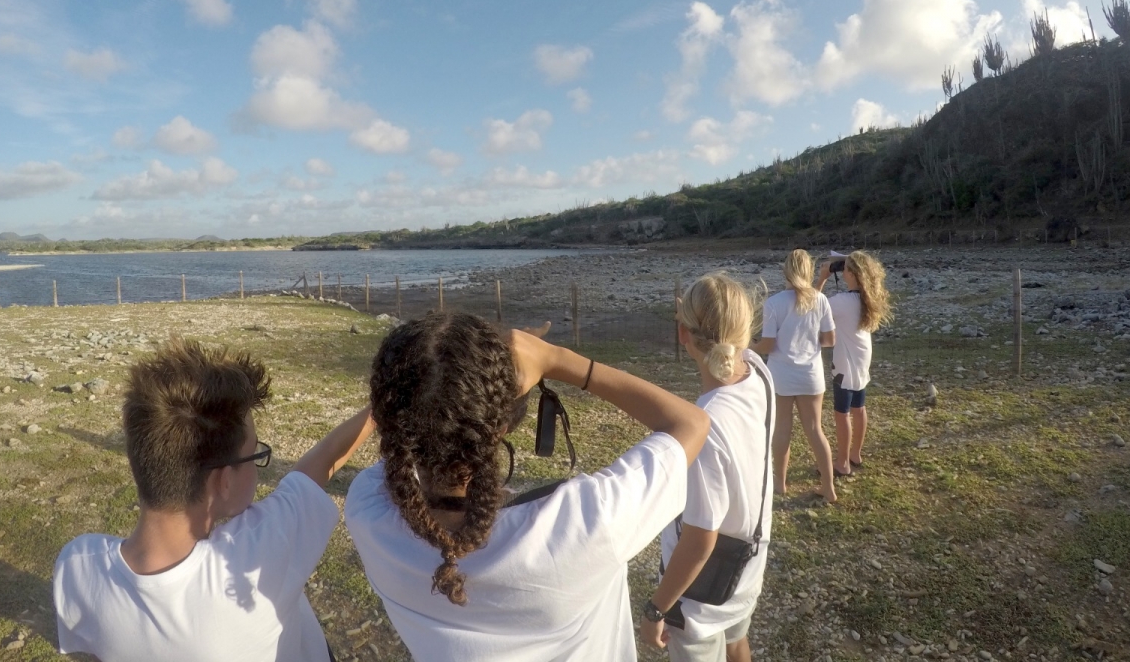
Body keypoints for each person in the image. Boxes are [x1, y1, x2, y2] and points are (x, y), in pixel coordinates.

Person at [343, 311, 711, 662]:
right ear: (501, 427)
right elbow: (691, 423)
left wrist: (422, 386)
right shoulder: (586, 523)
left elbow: (406, 433)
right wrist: (557, 360)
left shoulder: (368, 509)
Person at [54, 338, 375, 662]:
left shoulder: (76, 566)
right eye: (254, 455)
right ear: (223, 481)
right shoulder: (259, 549)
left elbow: (92, 650)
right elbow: (323, 462)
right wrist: (381, 406)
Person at [641, 273, 775, 662]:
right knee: (736, 643)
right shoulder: (758, 370)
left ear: (684, 336)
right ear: (745, 331)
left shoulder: (705, 425)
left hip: (703, 594)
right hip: (748, 566)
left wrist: (656, 609)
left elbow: (700, 540)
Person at [752, 249, 837, 503]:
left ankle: (780, 482)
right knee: (815, 430)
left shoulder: (774, 303)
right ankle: (828, 486)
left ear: (786, 271)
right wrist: (809, 341)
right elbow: (830, 340)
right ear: (809, 271)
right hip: (811, 374)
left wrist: (749, 347)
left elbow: (767, 345)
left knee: (782, 429)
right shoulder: (820, 300)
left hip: (781, 375)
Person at [816, 251, 893, 476]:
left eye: (844, 268)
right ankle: (855, 454)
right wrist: (849, 260)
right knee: (859, 408)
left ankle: (842, 463)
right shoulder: (869, 297)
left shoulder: (841, 302)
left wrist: (822, 278)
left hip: (845, 361)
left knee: (842, 413)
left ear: (849, 273)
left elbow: (813, 305)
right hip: (862, 357)